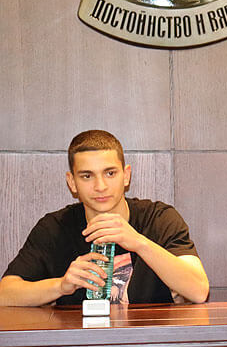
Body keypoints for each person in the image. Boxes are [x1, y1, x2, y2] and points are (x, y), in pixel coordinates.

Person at [0, 130, 209, 306]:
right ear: (72, 182)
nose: (100, 186)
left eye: (110, 173)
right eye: (87, 176)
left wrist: (139, 242)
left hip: (148, 340)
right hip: (79, 341)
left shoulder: (159, 219)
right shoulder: (54, 228)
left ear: (126, 175)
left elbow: (199, 291)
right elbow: (4, 294)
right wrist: (61, 286)